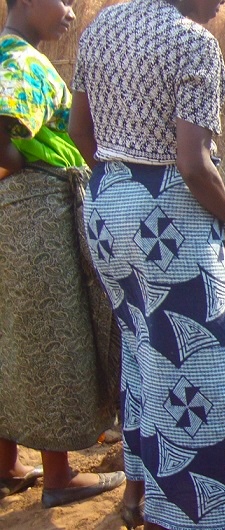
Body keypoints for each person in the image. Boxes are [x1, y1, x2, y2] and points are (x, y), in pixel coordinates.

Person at [70, 0, 225, 527]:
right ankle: (193, 505)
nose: (223, 2)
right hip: (168, 221)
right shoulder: (192, 42)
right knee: (205, 357)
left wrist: (123, 192)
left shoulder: (100, 27)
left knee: (144, 347)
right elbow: (192, 161)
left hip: (108, 208)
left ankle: (138, 494)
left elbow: (80, 136)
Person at [0, 0, 127, 510]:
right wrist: (25, 173)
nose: (71, 11)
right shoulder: (23, 60)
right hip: (36, 215)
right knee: (56, 336)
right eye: (63, 0)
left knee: (13, 339)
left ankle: (7, 466)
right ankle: (58, 475)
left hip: (17, 216)